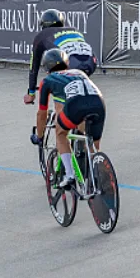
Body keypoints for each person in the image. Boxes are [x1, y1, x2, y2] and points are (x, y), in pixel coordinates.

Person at [31, 48, 106, 189]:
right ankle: (96, 176)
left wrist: (40, 137)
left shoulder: (47, 80)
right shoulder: (79, 72)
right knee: (92, 144)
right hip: (99, 103)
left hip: (77, 105)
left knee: (60, 133)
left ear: (46, 68)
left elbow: (42, 114)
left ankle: (70, 175)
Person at [24, 8, 98, 104]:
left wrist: (31, 93)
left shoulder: (42, 35)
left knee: (57, 80)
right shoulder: (74, 30)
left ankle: (61, 109)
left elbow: (34, 66)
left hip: (71, 63)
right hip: (91, 62)